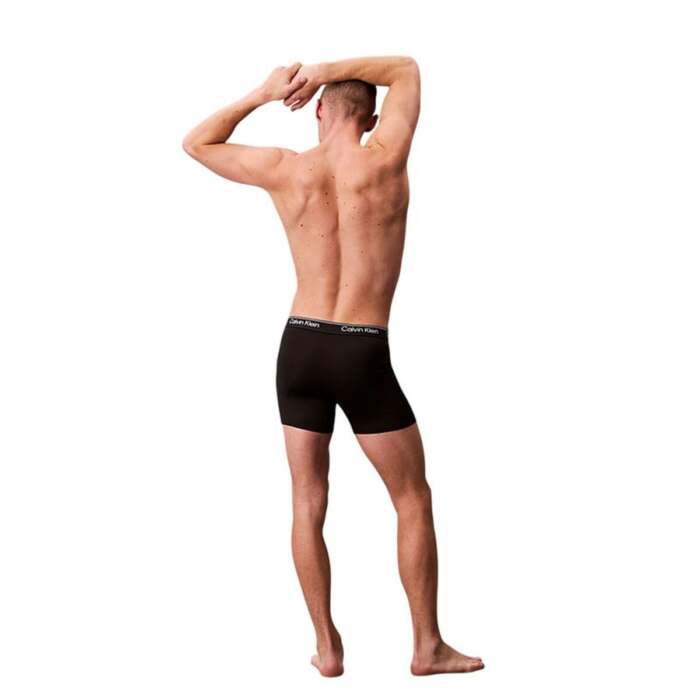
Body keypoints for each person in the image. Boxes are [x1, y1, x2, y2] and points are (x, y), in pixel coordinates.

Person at [183, 56, 483, 677]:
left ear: (318, 110)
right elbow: (405, 68)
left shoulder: (285, 168)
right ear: (370, 118)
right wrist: (320, 70)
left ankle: (327, 648)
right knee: (411, 498)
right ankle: (426, 647)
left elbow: (197, 143)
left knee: (307, 501)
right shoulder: (385, 158)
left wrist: (266, 92)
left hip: (299, 347)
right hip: (360, 348)